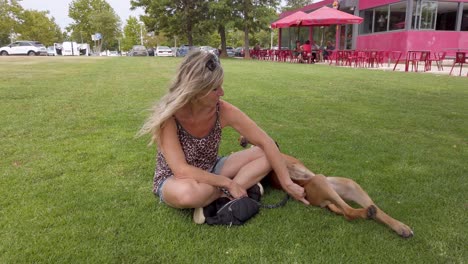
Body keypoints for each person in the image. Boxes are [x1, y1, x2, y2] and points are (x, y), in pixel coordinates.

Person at [138, 51, 308, 223]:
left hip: (212, 167)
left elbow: (266, 141)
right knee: (188, 195)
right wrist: (228, 183)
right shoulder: (170, 117)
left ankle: (222, 195)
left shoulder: (223, 110)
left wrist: (287, 183)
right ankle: (239, 187)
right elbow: (181, 171)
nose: (222, 92)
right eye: (215, 89)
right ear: (197, 92)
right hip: (175, 179)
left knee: (268, 152)